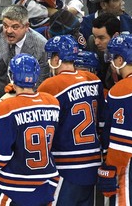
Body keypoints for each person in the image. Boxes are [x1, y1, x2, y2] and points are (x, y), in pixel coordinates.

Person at [0, 53, 60, 206]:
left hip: (15, 188)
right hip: (46, 185)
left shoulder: (7, 107)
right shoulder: (52, 102)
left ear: (11, 76)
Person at [37, 35, 105, 206]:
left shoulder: (50, 85)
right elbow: (102, 122)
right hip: (92, 162)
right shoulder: (94, 80)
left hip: (66, 165)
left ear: (57, 58)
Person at [0, 4, 49, 104]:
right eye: (5, 25)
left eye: (15, 27)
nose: (9, 31)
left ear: (26, 26)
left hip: (24, 103)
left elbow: (41, 84)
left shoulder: (41, 45)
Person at [97, 34, 132, 206]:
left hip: (131, 165)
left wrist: (111, 168)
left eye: (113, 58)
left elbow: (123, 145)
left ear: (121, 59)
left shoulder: (122, 90)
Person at [86, 12, 121, 90]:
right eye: (95, 36)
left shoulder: (129, 53)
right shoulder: (91, 42)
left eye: (101, 38)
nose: (96, 42)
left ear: (116, 36)